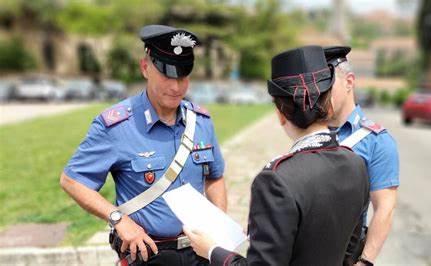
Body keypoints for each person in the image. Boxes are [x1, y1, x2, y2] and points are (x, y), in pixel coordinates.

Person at [183, 45, 370, 266]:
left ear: (280, 113)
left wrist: (213, 250)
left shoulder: (276, 180)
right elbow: (352, 247)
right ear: (328, 104)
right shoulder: (356, 163)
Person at [60, 24, 227, 266]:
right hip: (148, 254)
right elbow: (72, 180)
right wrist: (118, 219)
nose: (176, 86)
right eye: (167, 75)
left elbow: (215, 177)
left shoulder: (201, 121)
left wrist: (219, 223)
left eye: (182, 76)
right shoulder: (116, 126)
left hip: (199, 254)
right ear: (145, 68)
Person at [324, 46, 400, 265]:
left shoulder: (377, 141)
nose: (322, 94)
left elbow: (385, 207)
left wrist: (365, 262)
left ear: (349, 82)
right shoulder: (308, 131)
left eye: (328, 85)